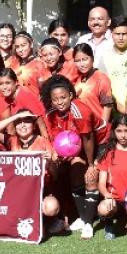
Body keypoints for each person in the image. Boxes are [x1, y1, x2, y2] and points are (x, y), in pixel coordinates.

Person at [41, 75, 99, 239]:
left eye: (63, 97)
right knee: (71, 175)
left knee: (88, 176)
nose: (60, 102)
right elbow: (59, 140)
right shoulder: (51, 114)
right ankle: (81, 217)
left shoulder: (80, 111)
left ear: (71, 96)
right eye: (55, 99)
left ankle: (88, 223)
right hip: (77, 147)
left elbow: (88, 139)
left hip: (99, 144)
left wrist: (90, 164)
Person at [0, 109, 63, 234]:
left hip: (40, 191)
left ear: (34, 125)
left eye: (27, 121)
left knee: (51, 207)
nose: (22, 125)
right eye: (19, 122)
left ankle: (47, 221)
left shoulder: (43, 142)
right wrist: (16, 116)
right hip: (15, 191)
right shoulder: (12, 140)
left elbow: (55, 176)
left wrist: (49, 163)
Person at [96, 114, 127, 239]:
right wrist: (107, 195)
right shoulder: (108, 153)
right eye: (119, 131)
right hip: (115, 199)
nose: (123, 135)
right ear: (114, 131)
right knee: (103, 208)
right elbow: (101, 183)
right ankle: (109, 223)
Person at [98, 15, 127, 114]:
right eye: (117, 34)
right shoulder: (105, 57)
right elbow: (104, 87)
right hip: (115, 110)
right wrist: (117, 104)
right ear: (112, 35)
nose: (120, 38)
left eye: (124, 34)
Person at [69, 44, 112, 141]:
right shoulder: (78, 78)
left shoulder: (101, 78)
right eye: (77, 61)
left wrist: (102, 128)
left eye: (85, 59)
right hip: (82, 130)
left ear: (92, 59)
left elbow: (107, 105)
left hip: (98, 131)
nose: (81, 64)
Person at [0, 68, 48, 138]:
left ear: (16, 82)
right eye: (1, 84)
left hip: (39, 137)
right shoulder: (6, 98)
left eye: (8, 83)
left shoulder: (24, 96)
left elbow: (40, 121)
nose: (4, 87)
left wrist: (46, 143)